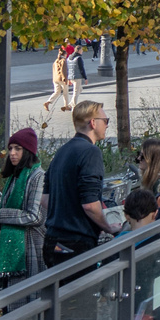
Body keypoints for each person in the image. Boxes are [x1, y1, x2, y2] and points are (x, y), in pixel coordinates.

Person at [43, 101, 118, 265]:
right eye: (105, 121)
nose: (106, 125)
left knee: (58, 290)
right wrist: (109, 228)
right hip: (76, 242)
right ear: (93, 123)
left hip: (52, 240)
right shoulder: (91, 152)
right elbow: (90, 204)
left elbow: (45, 199)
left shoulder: (62, 151)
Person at [0, 129, 46, 281]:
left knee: (27, 298)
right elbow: (13, 208)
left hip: (29, 247)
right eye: (10, 148)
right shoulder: (16, 176)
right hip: (13, 245)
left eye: (18, 148)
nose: (12, 153)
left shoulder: (38, 176)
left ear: (28, 151)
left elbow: (34, 216)